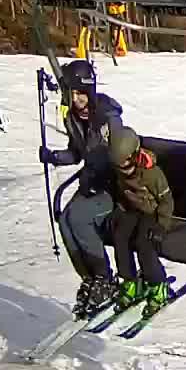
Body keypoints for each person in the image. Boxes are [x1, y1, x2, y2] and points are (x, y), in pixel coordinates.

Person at [40, 59, 125, 318]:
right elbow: (77, 153)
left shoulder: (107, 117)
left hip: (113, 187)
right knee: (65, 220)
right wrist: (54, 157)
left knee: (77, 218)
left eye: (81, 93)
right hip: (90, 184)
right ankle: (89, 277)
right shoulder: (73, 118)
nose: (77, 99)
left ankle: (104, 277)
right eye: (72, 93)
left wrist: (100, 169)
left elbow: (117, 156)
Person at [106, 125, 176, 313]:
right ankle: (130, 281)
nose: (125, 169)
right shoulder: (119, 170)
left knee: (144, 243)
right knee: (120, 237)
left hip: (152, 212)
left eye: (128, 163)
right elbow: (122, 192)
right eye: (120, 165)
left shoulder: (152, 173)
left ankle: (158, 284)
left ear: (136, 155)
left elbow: (166, 200)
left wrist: (162, 224)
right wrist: (120, 211)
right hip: (132, 210)